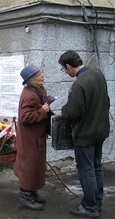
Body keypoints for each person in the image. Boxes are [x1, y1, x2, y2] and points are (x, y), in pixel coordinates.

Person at [59, 50, 110, 218]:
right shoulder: (98, 74)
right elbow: (106, 101)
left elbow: (73, 112)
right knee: (96, 167)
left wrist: (64, 109)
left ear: (68, 66)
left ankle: (89, 207)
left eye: (63, 69)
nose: (65, 72)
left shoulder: (79, 83)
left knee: (86, 169)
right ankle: (97, 201)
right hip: (100, 131)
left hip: (85, 135)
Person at [14, 64, 51, 210]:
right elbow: (25, 117)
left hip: (36, 136)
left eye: (41, 72)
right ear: (30, 79)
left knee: (35, 165)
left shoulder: (37, 90)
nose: (42, 75)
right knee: (29, 166)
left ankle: (32, 193)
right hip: (30, 139)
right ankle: (25, 197)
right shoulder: (29, 94)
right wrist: (42, 110)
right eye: (38, 74)